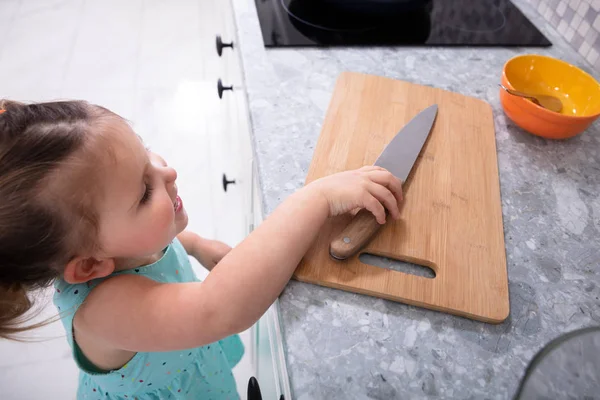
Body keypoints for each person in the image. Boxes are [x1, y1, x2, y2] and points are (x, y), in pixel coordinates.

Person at [0, 100, 403, 399]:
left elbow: (160, 247)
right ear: (90, 265)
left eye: (147, 154)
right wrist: (315, 200)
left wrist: (196, 245)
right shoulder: (103, 312)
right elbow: (218, 309)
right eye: (144, 191)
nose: (168, 172)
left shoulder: (120, 249)